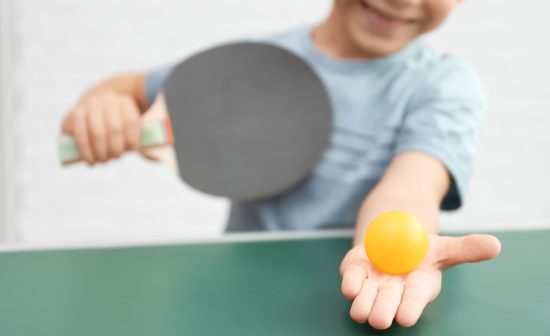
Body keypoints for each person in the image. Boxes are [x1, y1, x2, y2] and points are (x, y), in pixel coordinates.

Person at [60, 0, 502, 330]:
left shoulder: (444, 83)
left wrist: (389, 244)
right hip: (242, 302)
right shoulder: (253, 62)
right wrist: (103, 107)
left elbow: (413, 184)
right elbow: (128, 88)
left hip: (375, 307)